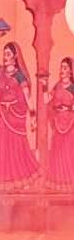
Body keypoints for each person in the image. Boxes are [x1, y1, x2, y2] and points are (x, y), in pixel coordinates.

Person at [0, 42, 40, 191]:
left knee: (16, 148)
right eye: (4, 53)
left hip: (16, 116)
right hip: (2, 115)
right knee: (1, 147)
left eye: (8, 54)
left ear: (15, 56)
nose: (5, 57)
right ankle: (3, 181)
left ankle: (19, 181)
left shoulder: (19, 75)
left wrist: (33, 116)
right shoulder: (1, 71)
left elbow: (27, 96)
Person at [45, 57, 74, 192]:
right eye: (61, 67)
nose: (62, 70)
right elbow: (47, 100)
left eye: (65, 68)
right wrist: (44, 86)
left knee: (68, 153)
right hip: (57, 124)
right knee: (57, 154)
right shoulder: (57, 86)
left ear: (71, 71)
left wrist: (68, 108)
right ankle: (58, 184)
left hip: (70, 125)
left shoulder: (73, 88)